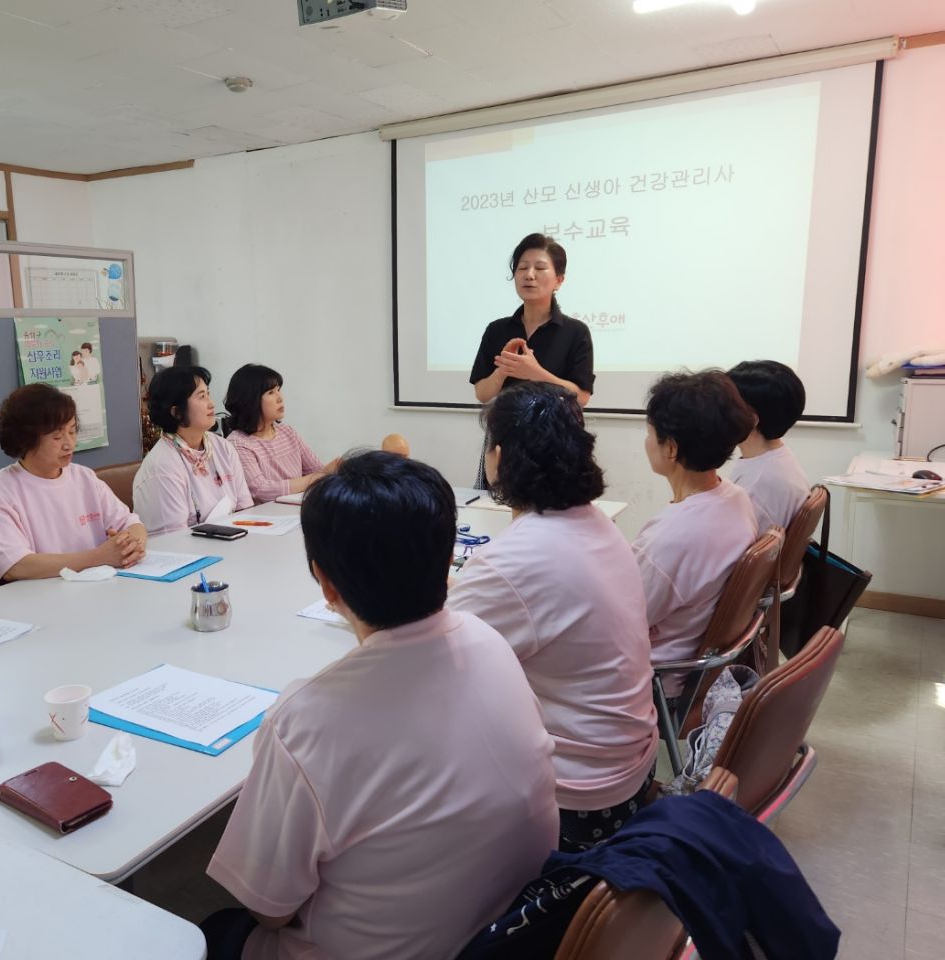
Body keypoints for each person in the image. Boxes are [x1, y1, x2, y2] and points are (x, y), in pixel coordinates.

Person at [203, 451, 558, 960]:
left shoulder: (308, 720)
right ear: (448, 557)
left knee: (213, 929)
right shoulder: (488, 640)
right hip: (513, 926)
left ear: (325, 583)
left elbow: (270, 909)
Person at [448, 383, 658, 851]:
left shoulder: (516, 559)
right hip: (630, 768)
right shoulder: (598, 522)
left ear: (497, 457)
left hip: (576, 800)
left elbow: (430, 658)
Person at [633, 371, 758, 697]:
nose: (646, 441)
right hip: (693, 659)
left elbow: (619, 622)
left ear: (671, 448)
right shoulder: (734, 497)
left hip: (657, 678)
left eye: (649, 432)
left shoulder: (671, 540)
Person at [0, 384, 146, 587]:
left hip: (92, 590)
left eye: (72, 431)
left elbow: (131, 523)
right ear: (26, 439)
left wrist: (132, 546)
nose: (69, 444)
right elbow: (16, 566)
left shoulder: (84, 478)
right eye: (57, 436)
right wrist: (99, 556)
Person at [469, 233, 595, 487]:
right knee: (497, 512)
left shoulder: (575, 332)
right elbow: (482, 394)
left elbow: (580, 397)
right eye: (522, 268)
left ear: (559, 280)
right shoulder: (497, 329)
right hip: (505, 440)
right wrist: (503, 369)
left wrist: (535, 372)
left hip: (555, 442)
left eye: (540, 268)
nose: (529, 275)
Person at [133, 366, 253, 534]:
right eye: (201, 396)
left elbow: (245, 510)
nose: (211, 403)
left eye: (208, 394)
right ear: (177, 412)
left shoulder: (223, 447)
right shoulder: (162, 466)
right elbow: (173, 540)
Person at [223, 364, 336, 504]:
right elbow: (261, 491)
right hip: (266, 519)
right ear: (251, 400)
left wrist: (334, 469)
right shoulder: (238, 443)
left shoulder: (287, 432)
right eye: (271, 392)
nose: (280, 398)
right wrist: (316, 477)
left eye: (279, 390)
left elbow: (317, 471)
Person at [727, 360, 810, 532]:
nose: (716, 412)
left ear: (751, 419)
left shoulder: (756, 488)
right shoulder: (778, 457)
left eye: (725, 405)